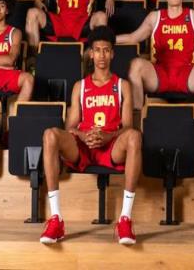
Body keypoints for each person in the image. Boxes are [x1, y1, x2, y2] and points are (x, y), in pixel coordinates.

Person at [40, 26, 141, 245]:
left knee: (134, 137)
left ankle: (125, 219)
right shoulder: (80, 86)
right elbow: (70, 126)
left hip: (111, 145)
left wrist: (108, 136)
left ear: (112, 53)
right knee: (50, 135)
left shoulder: (123, 86)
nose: (102, 55)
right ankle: (56, 219)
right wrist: (84, 135)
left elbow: (128, 126)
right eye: (97, 50)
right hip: (84, 146)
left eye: (106, 50)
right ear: (91, 54)